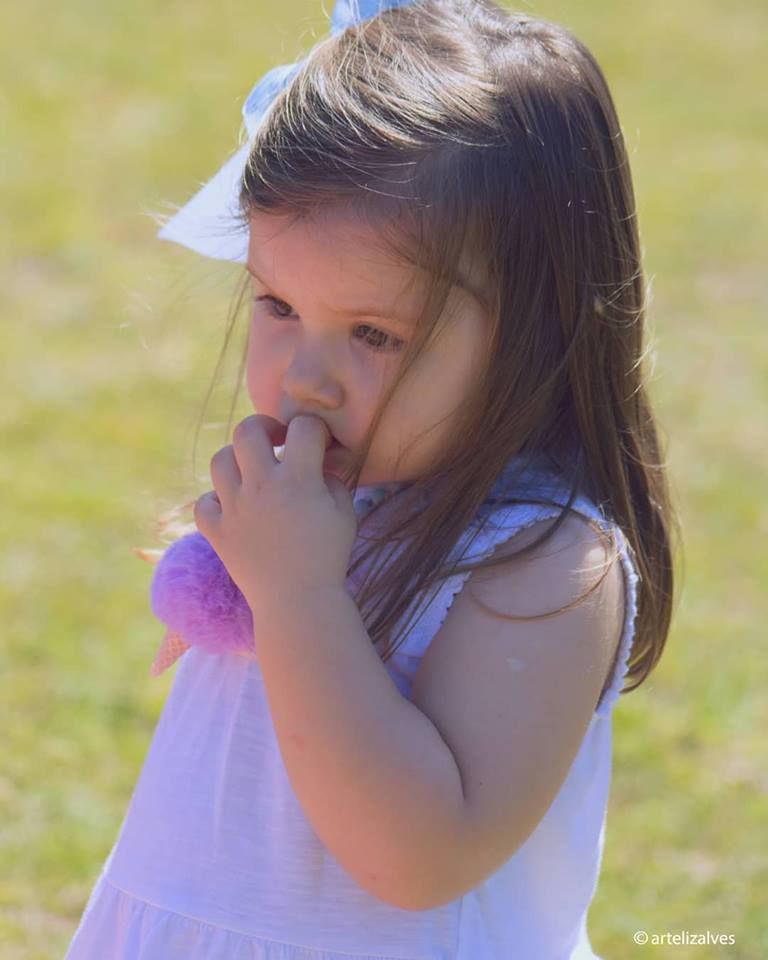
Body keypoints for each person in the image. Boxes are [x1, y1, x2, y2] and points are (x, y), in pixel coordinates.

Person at [64, 0, 681, 957]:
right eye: (277, 302)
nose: (304, 376)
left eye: (373, 334)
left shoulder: (545, 564)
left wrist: (299, 595)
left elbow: (418, 858)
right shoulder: (320, 510)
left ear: (538, 335)